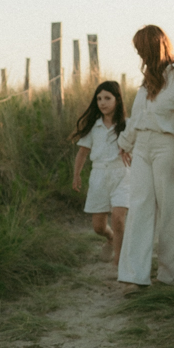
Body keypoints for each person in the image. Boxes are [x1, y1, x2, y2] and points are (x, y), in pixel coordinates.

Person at [117, 25, 174, 287]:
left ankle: (173, 274)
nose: (139, 54)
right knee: (139, 206)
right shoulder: (147, 81)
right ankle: (134, 276)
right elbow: (139, 115)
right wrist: (125, 143)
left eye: (142, 49)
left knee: (172, 212)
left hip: (168, 148)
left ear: (154, 47)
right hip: (142, 146)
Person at [71, 80, 130, 267]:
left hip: (122, 174)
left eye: (107, 98)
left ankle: (119, 261)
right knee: (98, 226)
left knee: (119, 219)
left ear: (117, 100)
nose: (102, 103)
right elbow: (82, 152)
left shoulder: (128, 125)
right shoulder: (93, 126)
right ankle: (110, 237)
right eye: (99, 99)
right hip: (99, 176)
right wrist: (76, 175)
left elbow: (139, 148)